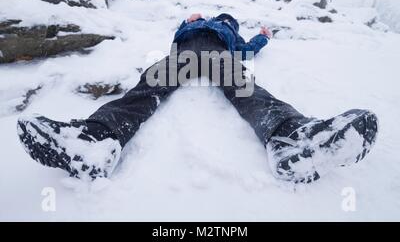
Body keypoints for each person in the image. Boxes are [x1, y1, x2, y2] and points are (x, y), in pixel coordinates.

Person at [17, 13, 378, 183]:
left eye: (226, 19)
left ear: (230, 24)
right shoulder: (190, 26)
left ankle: (292, 141)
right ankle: (95, 142)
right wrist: (189, 23)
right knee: (145, 89)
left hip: (220, 56)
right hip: (185, 56)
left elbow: (249, 49)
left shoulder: (231, 35)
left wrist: (263, 36)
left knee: (246, 89)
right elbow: (177, 38)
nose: (220, 18)